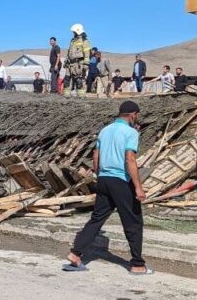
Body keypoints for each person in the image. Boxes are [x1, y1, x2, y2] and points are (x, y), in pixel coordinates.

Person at [63, 100, 150, 274]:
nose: (137, 118)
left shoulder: (105, 130)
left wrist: (99, 175)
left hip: (104, 179)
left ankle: (75, 254)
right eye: (137, 115)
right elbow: (130, 159)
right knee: (133, 221)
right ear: (133, 114)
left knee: (97, 218)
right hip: (121, 181)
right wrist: (138, 187)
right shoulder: (130, 132)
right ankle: (138, 264)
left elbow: (96, 155)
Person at [65, 24, 91, 95]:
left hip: (80, 63)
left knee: (79, 79)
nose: (73, 33)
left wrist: (86, 64)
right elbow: (69, 51)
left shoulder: (84, 40)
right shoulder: (72, 40)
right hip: (71, 63)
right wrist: (67, 60)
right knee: (67, 79)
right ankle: (66, 95)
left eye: (74, 31)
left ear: (77, 31)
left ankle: (81, 96)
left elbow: (87, 53)